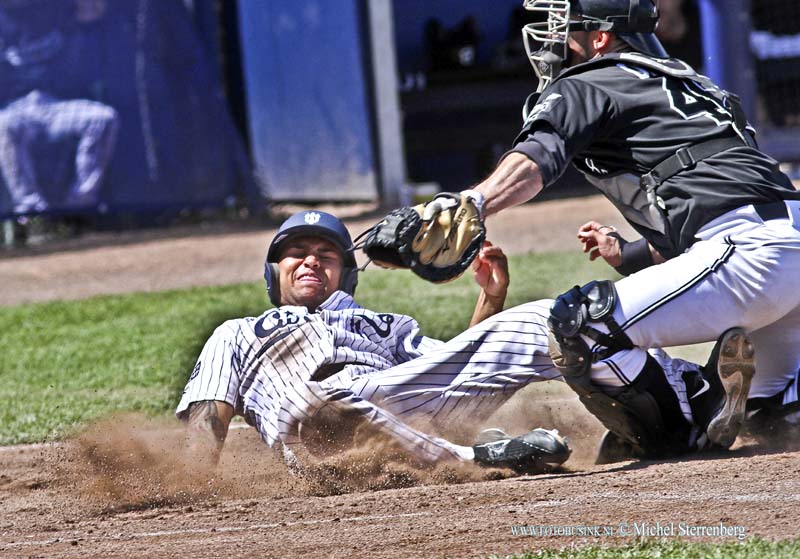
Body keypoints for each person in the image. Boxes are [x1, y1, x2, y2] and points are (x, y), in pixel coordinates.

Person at [442, 0, 800, 458]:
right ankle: (779, 405)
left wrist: (474, 202)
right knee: (766, 417)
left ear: (601, 38)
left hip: (750, 257)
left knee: (578, 325)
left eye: (570, 30)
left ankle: (689, 408)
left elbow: (537, 160)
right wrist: (631, 254)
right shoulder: (700, 88)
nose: (560, 41)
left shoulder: (594, 79)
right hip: (778, 251)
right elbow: (719, 198)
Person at [176, 210, 574, 474]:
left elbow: (462, 367)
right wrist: (195, 483)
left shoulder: (387, 325)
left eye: (326, 255)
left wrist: (492, 297)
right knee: (320, 402)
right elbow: (210, 415)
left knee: (542, 317)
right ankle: (479, 457)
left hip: (405, 410)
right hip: (319, 433)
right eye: (296, 253)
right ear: (272, 273)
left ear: (346, 274)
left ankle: (624, 407)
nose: (311, 261)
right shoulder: (237, 332)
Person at [0, 0, 118, 216]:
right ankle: (31, 210)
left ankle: (81, 203)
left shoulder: (56, 8)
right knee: (4, 125)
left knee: (102, 118)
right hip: (15, 108)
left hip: (56, 106)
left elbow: (94, 9)